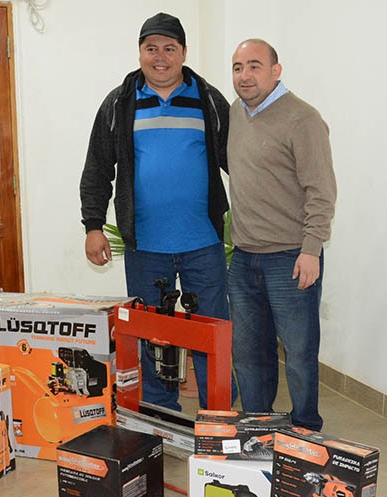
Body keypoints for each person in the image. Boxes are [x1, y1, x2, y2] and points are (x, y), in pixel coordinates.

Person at [79, 12, 234, 412]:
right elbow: (97, 167)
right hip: (145, 246)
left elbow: (239, 162)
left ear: (183, 53)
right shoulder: (120, 103)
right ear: (140, 53)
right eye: (152, 48)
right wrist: (93, 226)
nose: (160, 57)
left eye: (169, 48)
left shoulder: (208, 100)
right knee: (151, 336)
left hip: (203, 243)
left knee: (212, 332)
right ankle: (160, 414)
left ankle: (218, 414)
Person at [227, 39, 337, 431]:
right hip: (244, 257)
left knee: (299, 354)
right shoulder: (236, 113)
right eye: (238, 67)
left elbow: (321, 191)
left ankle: (306, 431)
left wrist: (311, 249)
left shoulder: (302, 119)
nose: (245, 75)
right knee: (249, 354)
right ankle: (258, 427)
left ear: (276, 71)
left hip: (291, 258)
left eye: (254, 66)